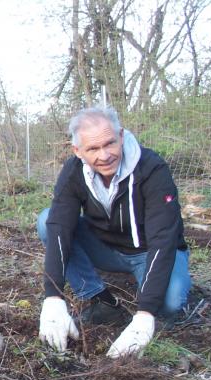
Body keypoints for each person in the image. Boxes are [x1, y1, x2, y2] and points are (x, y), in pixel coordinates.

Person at [37, 106, 191, 358]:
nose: (105, 155)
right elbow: (59, 227)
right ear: (78, 151)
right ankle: (101, 300)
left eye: (110, 143)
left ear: (121, 136)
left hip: (149, 251)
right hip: (106, 247)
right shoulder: (73, 172)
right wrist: (52, 297)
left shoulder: (151, 168)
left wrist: (144, 314)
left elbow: (163, 240)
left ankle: (151, 301)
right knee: (46, 220)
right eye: (93, 149)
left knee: (170, 304)